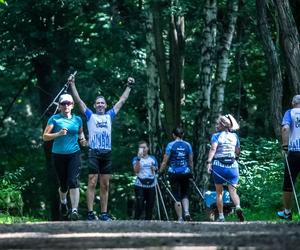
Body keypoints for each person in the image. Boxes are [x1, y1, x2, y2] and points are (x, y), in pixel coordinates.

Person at [69, 75, 133, 221]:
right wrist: (72, 84)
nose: (100, 105)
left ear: (105, 105)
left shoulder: (110, 115)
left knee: (105, 184)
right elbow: (78, 101)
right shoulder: (90, 115)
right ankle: (91, 213)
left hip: (107, 154)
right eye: (97, 103)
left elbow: (122, 101)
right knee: (92, 181)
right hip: (94, 152)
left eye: (102, 103)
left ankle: (104, 213)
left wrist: (129, 86)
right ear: (94, 105)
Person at [43, 93, 87, 221]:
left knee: (73, 181)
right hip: (58, 155)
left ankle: (74, 210)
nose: (66, 105)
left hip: (74, 154)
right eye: (63, 103)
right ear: (60, 106)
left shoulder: (77, 119)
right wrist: (58, 133)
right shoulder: (54, 119)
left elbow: (80, 133)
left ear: (72, 105)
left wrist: (83, 140)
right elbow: (45, 136)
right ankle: (63, 202)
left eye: (69, 103)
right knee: (63, 184)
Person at [206, 114, 244, 222]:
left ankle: (221, 216)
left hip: (219, 166)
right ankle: (238, 207)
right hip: (233, 166)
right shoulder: (235, 136)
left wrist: (209, 162)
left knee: (219, 192)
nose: (217, 125)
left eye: (218, 123)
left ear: (223, 125)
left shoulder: (216, 136)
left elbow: (213, 149)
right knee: (233, 191)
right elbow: (237, 151)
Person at [159, 127, 193, 222]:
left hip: (173, 172)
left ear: (173, 135)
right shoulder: (188, 145)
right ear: (183, 135)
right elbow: (190, 160)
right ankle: (186, 212)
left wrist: (160, 172)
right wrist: (192, 172)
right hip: (185, 172)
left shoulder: (170, 145)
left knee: (176, 194)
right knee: (185, 193)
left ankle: (180, 217)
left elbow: (165, 161)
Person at [277, 95, 300, 220]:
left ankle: (287, 212)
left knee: (289, 183)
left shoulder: (290, 113)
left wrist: (285, 146)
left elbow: (285, 128)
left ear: (293, 103)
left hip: (295, 152)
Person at [132, 141, 158, 220]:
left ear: (148, 148)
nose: (143, 149)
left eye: (144, 147)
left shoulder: (152, 158)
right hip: (140, 184)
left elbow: (156, 168)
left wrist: (154, 168)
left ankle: (148, 223)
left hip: (151, 184)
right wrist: (139, 159)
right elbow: (136, 170)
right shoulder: (136, 159)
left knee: (150, 205)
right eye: (141, 148)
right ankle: (136, 220)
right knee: (140, 203)